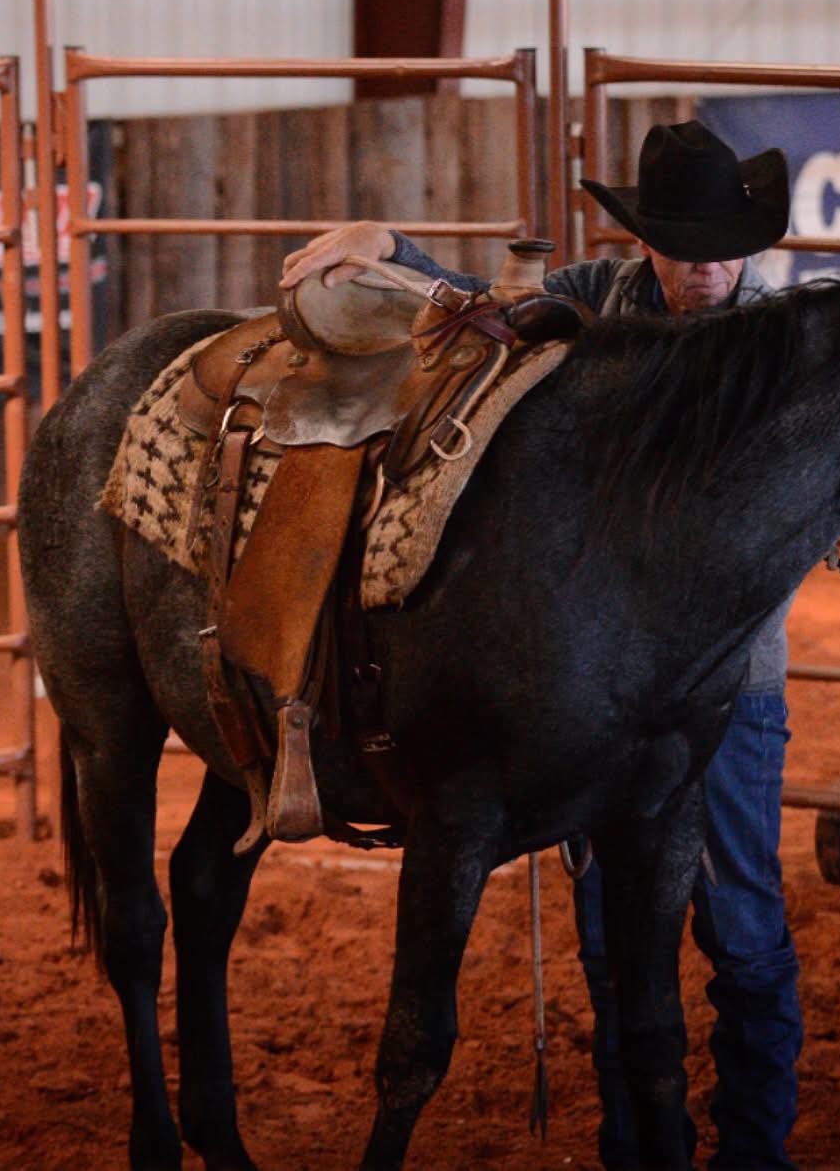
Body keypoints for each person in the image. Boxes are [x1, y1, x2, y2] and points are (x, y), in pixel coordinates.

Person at [281, 120, 803, 1171]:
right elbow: (487, 298)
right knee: (618, 939)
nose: (708, 261)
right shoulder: (599, 298)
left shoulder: (776, 344)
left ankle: (755, 1153)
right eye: (686, 240)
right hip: (602, 689)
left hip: (724, 686)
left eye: (723, 240)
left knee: (740, 932)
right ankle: (637, 1144)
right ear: (645, 243)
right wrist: (391, 246)